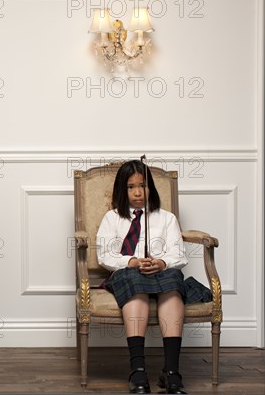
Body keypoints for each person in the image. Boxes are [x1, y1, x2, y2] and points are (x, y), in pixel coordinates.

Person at [96, 160, 188, 394]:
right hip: (129, 274)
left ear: (151, 188)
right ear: (122, 189)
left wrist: (161, 262)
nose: (137, 192)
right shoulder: (112, 218)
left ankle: (171, 372)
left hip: (161, 273)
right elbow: (104, 255)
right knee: (135, 283)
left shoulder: (166, 218)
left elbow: (178, 253)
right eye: (130, 187)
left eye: (143, 185)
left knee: (174, 282)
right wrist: (132, 262)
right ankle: (138, 371)